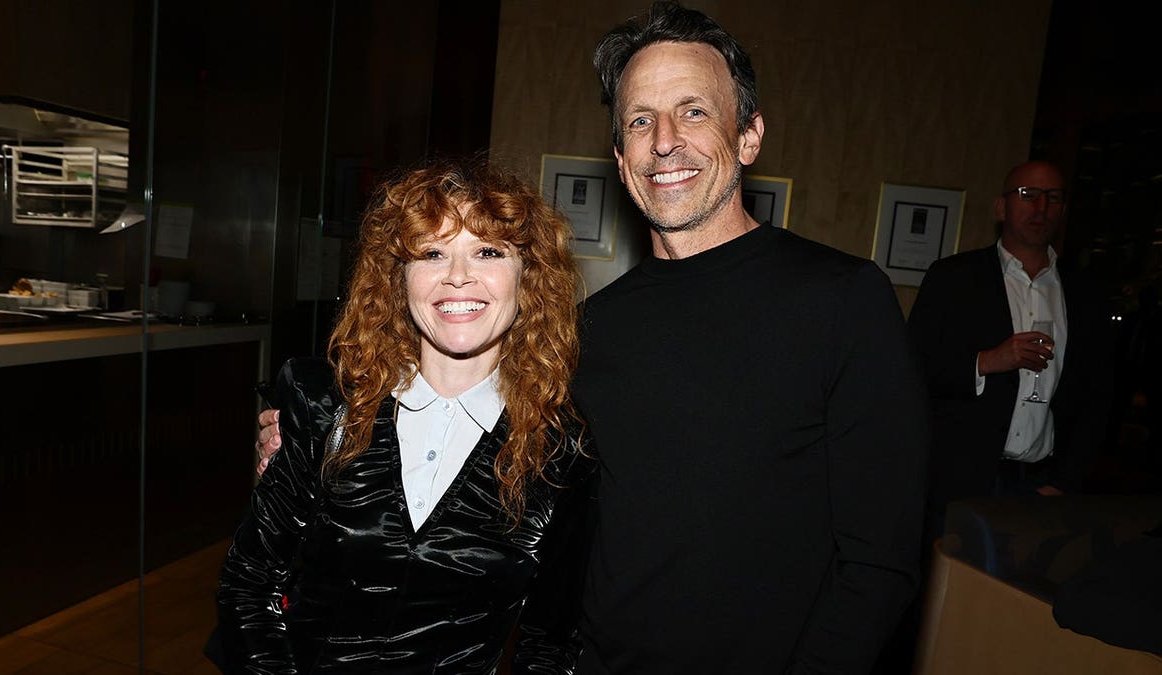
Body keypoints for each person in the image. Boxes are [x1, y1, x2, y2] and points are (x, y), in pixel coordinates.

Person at [259, 3, 927, 673]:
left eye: (693, 111)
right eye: (640, 120)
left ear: (749, 135)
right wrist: (320, 434)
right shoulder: (585, 330)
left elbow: (880, 561)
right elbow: (468, 411)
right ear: (619, 154)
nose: (665, 140)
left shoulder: (841, 300)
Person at [219, 158, 595, 674]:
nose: (458, 276)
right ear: (399, 279)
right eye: (432, 253)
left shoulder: (561, 450)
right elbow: (250, 583)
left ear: (527, 278)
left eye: (487, 251)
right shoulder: (326, 407)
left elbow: (550, 642)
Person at [907, 160, 1113, 534]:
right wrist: (987, 361)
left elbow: (1097, 397)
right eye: (1028, 195)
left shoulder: (1085, 293)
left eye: (1052, 198)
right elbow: (911, 370)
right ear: (1002, 207)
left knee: (1020, 594)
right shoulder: (953, 278)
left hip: (1040, 485)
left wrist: (1066, 480)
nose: (1040, 208)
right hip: (960, 482)